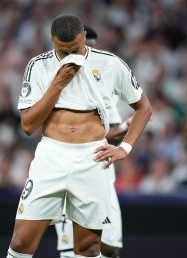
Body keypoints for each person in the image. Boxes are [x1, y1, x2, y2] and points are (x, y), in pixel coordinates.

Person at [7, 14, 152, 258]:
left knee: (88, 248)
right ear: (52, 41)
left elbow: (144, 108)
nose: (70, 56)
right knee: (21, 242)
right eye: (63, 51)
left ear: (85, 36)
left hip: (91, 158)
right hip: (51, 157)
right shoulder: (38, 66)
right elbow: (29, 125)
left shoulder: (110, 64)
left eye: (75, 49)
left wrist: (124, 148)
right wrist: (58, 83)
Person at [55, 25, 131, 258]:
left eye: (95, 49)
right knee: (74, 250)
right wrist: (125, 128)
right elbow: (69, 135)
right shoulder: (60, 87)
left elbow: (114, 130)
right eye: (87, 49)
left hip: (103, 178)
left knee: (110, 248)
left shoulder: (105, 86)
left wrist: (125, 128)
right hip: (71, 178)